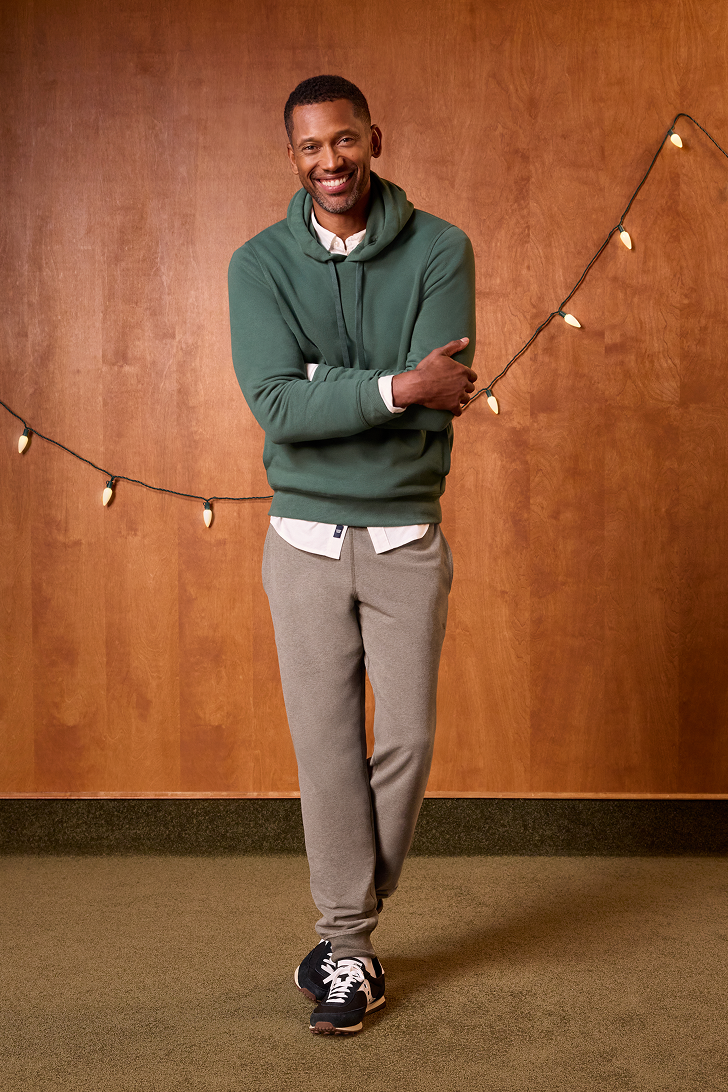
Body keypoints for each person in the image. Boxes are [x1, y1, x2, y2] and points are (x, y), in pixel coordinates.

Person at [228, 74, 476, 1035]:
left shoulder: (441, 248)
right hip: (302, 543)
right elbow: (278, 407)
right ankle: (349, 944)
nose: (328, 162)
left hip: (406, 534)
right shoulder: (258, 265)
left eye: (343, 141)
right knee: (326, 750)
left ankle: (342, 934)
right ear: (291, 155)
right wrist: (396, 388)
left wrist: (346, 388)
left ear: (374, 137)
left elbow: (444, 382)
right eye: (308, 147)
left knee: (405, 740)